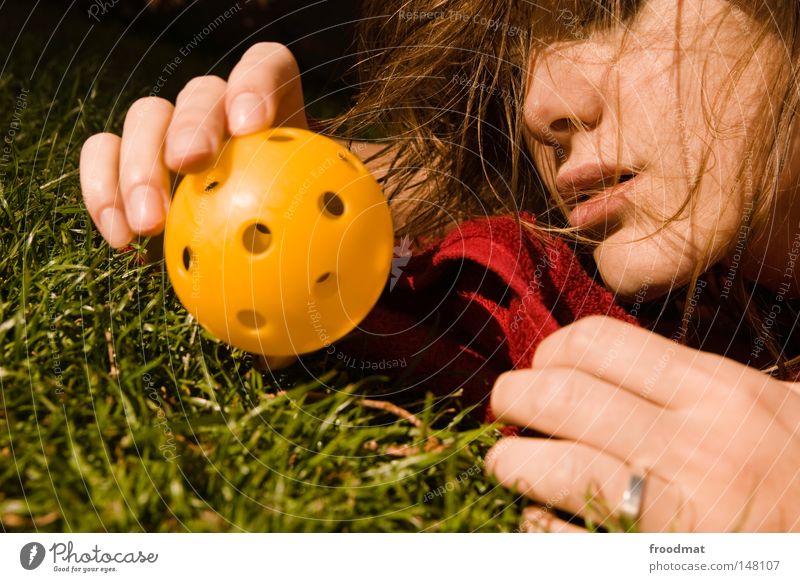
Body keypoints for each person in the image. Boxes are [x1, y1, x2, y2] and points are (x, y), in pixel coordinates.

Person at [80, 0, 800, 532]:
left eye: (609, 9)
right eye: (521, 64)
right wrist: (275, 223)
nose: (541, 105)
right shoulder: (558, 275)